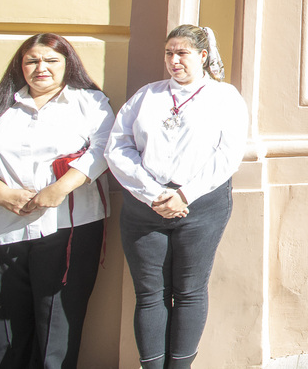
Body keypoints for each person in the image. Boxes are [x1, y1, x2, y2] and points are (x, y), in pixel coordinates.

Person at [106, 25, 249, 368]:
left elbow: (228, 155)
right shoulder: (147, 96)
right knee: (150, 293)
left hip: (202, 207)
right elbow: (117, 146)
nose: (174, 60)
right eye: (169, 53)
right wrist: (153, 192)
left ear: (202, 56)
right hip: (146, 206)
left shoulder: (224, 97)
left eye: (182, 53)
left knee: (189, 291)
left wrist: (184, 194)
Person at [0, 33, 114, 368]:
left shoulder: (89, 102)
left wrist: (59, 189)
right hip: (5, 229)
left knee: (56, 329)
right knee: (5, 330)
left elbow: (104, 149)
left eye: (51, 60)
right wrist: (1, 192)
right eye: (32, 60)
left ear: (68, 64)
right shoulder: (3, 105)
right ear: (21, 66)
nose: (41, 68)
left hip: (68, 228)